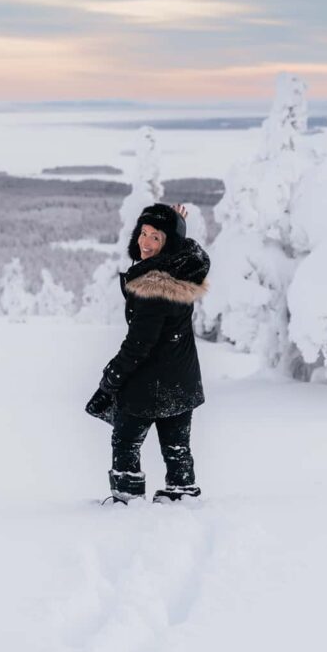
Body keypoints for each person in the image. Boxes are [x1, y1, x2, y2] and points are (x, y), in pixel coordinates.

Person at [85, 201, 210, 504]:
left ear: (169, 244)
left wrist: (110, 381)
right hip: (181, 380)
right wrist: (175, 227)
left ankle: (127, 500)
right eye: (144, 233)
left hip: (148, 385)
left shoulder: (153, 286)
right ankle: (182, 495)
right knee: (176, 445)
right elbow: (184, 249)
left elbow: (138, 345)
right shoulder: (181, 268)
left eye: (157, 237)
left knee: (126, 441)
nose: (146, 243)